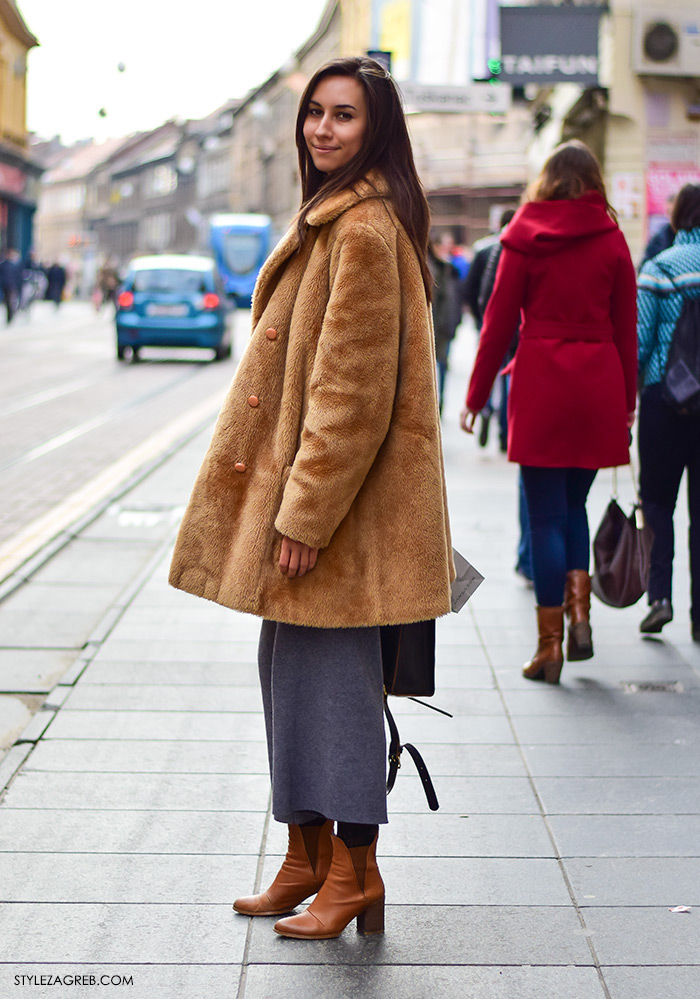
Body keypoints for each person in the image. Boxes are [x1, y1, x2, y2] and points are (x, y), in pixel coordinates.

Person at [169, 56, 453, 939]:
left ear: (377, 130)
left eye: (343, 117)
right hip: (327, 511)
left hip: (343, 517)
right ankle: (306, 857)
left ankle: (353, 872)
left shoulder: (363, 230)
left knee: (331, 688)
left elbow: (351, 395)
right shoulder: (336, 220)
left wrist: (303, 514)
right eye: (315, 114)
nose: (322, 130)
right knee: (291, 675)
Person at [461, 140, 637, 684]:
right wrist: (626, 404)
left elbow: (496, 325)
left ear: (547, 181)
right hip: (597, 385)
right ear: (592, 182)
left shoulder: (524, 236)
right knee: (573, 506)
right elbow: (626, 331)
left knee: (542, 517)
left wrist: (475, 395)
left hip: (540, 384)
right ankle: (580, 616)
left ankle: (549, 646)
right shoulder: (613, 240)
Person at [637, 183, 700, 638]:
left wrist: (629, 395)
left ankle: (660, 597)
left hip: (664, 400)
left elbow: (640, 342)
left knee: (658, 503)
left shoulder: (659, 269)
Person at [463, 209, 516, 447]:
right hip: (515, 327)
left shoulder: (486, 249)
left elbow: (475, 290)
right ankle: (505, 431)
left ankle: (484, 410)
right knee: (506, 376)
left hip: (490, 321)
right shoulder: (517, 246)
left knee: (491, 369)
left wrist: (480, 319)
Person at [429, 232, 463, 414]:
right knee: (435, 367)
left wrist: (454, 323)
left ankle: (439, 403)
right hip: (436, 326)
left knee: (442, 366)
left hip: (444, 327)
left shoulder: (450, 268)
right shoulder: (433, 267)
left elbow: (455, 297)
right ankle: (435, 403)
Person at [0, 249, 23, 324]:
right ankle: (10, 316)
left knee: (11, 302)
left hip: (12, 287)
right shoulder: (4, 265)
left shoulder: (15, 265)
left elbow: (18, 277)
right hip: (7, 286)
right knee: (8, 302)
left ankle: (11, 316)